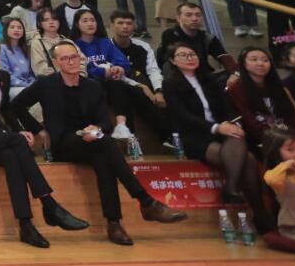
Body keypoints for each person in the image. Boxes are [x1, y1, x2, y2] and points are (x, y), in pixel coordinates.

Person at [13, 40, 186, 245]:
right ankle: (145, 202)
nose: (71, 61)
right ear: (56, 62)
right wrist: (39, 131)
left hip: (93, 141)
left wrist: (97, 129)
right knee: (106, 145)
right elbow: (17, 105)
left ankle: (114, 224)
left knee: (104, 158)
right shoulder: (46, 84)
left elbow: (105, 122)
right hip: (63, 143)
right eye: (65, 58)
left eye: (74, 57)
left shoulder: (92, 86)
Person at [0, 35, 89, 248]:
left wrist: (19, 130)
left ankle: (26, 225)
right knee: (16, 143)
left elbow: (6, 110)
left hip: (0, 140)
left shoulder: (2, 77)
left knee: (11, 158)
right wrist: (10, 135)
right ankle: (49, 203)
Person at [162, 43, 274, 231]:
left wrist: (233, 124)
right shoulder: (170, 83)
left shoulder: (210, 79)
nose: (190, 58)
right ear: (173, 61)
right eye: (183, 55)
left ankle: (235, 191)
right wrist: (216, 127)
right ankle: (258, 213)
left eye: (192, 54)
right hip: (194, 135)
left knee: (242, 146)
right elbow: (182, 116)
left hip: (222, 132)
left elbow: (227, 108)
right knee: (247, 159)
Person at [107, 10, 173, 144]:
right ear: (111, 26)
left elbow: (153, 71)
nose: (125, 26)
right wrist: (141, 86)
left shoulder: (143, 46)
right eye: (120, 23)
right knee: (129, 90)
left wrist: (159, 91)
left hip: (143, 84)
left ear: (134, 26)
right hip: (118, 87)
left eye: (129, 23)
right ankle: (137, 137)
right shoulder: (105, 47)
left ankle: (172, 136)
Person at [225, 47, 295, 153]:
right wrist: (284, 139)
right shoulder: (236, 88)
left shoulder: (277, 85)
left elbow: (292, 116)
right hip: (264, 139)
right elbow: (250, 122)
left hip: (289, 135)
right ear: (243, 64)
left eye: (265, 60)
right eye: (254, 59)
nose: (260, 63)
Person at [156, 1, 235, 74]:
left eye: (198, 15)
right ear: (178, 18)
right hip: (178, 75)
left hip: (204, 74)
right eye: (189, 15)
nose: (194, 19)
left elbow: (223, 56)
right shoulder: (170, 35)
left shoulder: (207, 37)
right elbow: (169, 62)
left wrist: (235, 74)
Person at [262, 131, 295, 254]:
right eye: (290, 150)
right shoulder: (280, 177)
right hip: (294, 228)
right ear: (276, 152)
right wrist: (286, 164)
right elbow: (270, 179)